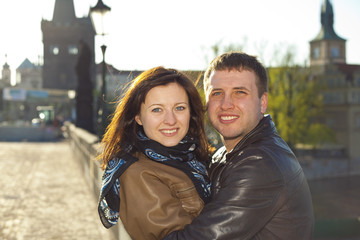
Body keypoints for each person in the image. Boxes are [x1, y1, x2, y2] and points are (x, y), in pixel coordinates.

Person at [164, 52, 315, 239]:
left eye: (239, 92)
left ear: (262, 103)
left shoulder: (259, 163)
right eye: (217, 93)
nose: (226, 104)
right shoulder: (227, 154)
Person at [97, 66, 211, 240]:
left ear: (191, 112)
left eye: (179, 108)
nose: (170, 120)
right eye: (157, 110)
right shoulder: (137, 172)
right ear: (138, 117)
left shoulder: (192, 156)